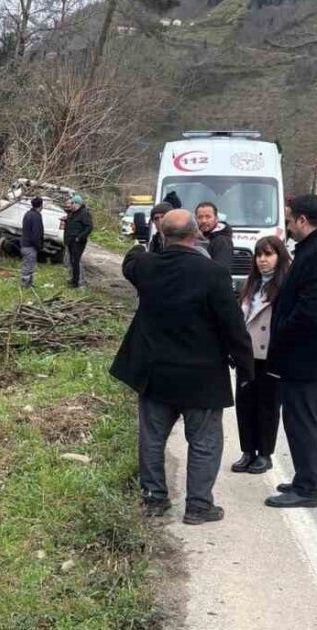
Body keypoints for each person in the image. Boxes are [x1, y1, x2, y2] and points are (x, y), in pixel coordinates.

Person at [110, 209, 254, 524]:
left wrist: (143, 240)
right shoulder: (213, 273)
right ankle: (199, 506)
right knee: (204, 441)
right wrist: (246, 367)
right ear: (195, 235)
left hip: (154, 372)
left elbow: (130, 261)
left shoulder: (146, 267)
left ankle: (154, 499)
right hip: (202, 374)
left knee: (152, 437)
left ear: (162, 235)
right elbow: (233, 326)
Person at [265, 195, 317, 508]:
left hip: (308, 354)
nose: (288, 227)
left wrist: (281, 335)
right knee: (313, 418)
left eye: (289, 221)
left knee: (302, 419)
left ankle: (306, 487)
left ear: (303, 220)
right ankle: (313, 478)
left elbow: (308, 311)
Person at [231, 236, 291, 475]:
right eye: (259, 255)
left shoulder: (284, 286)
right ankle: (248, 451)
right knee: (245, 404)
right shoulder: (251, 285)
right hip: (247, 354)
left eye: (268, 254)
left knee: (267, 406)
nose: (263, 260)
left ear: (279, 256)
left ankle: (264, 454)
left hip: (270, 355)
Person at [62, 194, 93, 288]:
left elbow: (89, 227)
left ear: (77, 203)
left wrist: (79, 238)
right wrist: (66, 221)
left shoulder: (84, 213)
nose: (71, 205)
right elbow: (73, 223)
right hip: (70, 241)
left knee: (75, 261)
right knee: (72, 261)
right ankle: (73, 279)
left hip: (78, 242)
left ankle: (76, 282)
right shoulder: (73, 212)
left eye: (72, 203)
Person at [196, 201, 234, 270]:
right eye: (200, 217)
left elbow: (221, 270)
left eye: (208, 217)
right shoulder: (192, 237)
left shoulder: (222, 241)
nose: (203, 221)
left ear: (216, 218)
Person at [20, 197, 44, 289]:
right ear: (41, 205)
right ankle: (25, 285)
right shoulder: (36, 216)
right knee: (28, 266)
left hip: (24, 244)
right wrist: (39, 246)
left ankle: (29, 283)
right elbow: (37, 233)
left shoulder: (28, 214)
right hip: (30, 245)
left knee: (29, 264)